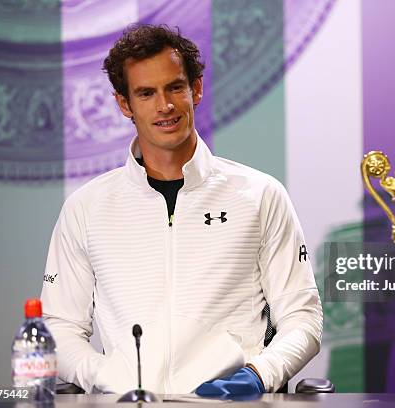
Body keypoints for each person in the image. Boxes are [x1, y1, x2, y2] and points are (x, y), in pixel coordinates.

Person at [40, 24, 322, 396]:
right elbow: (58, 326)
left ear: (196, 89)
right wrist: (109, 378)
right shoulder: (86, 207)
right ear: (124, 104)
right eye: (146, 93)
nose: (165, 106)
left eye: (175, 87)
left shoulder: (260, 195)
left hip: (232, 407)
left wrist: (259, 374)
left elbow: (303, 319)